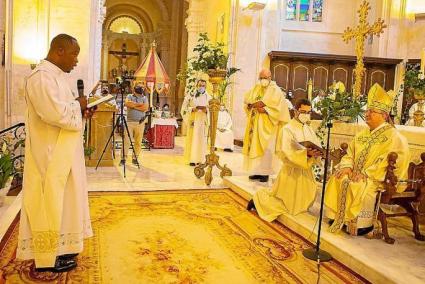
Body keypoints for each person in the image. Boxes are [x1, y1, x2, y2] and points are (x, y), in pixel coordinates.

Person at [16, 34, 95, 272]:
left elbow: (64, 110)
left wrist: (82, 110)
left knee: (65, 201)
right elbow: (53, 113)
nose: (76, 60)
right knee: (50, 201)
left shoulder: (56, 77)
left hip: (63, 152)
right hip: (49, 155)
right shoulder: (41, 77)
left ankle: (62, 247)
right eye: (74, 54)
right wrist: (78, 106)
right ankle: (48, 256)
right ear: (59, 51)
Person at [324, 83, 410, 236]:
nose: (367, 114)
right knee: (339, 178)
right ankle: (337, 217)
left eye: (372, 112)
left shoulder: (394, 137)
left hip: (375, 177)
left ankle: (360, 224)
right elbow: (350, 153)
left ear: (384, 115)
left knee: (358, 185)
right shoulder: (362, 134)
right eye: (367, 111)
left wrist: (365, 173)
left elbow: (387, 162)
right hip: (355, 172)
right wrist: (347, 167)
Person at [247, 99, 322, 219]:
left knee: (301, 204)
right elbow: (286, 152)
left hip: (306, 172)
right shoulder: (288, 129)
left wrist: (317, 153)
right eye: (303, 111)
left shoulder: (308, 129)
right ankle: (257, 201)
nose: (306, 115)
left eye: (308, 112)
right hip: (291, 173)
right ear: (295, 111)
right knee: (285, 206)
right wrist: (305, 154)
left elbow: (316, 145)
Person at [242, 68, 290, 182]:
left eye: (265, 78)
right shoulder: (257, 88)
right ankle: (257, 172)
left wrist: (266, 109)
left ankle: (265, 173)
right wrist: (252, 106)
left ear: (270, 77)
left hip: (269, 124)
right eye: (261, 78)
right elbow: (247, 99)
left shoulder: (275, 90)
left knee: (266, 149)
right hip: (255, 123)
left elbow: (267, 104)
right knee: (255, 147)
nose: (263, 80)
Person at [181, 79, 211, 166]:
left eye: (203, 86)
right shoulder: (191, 95)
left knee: (201, 140)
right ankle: (192, 159)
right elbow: (184, 108)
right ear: (197, 86)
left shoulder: (208, 97)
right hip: (193, 119)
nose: (201, 87)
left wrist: (206, 110)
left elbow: (211, 109)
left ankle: (200, 159)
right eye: (200, 85)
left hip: (202, 121)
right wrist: (192, 109)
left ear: (205, 86)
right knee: (192, 139)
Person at [123, 82, 149, 165]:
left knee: (138, 141)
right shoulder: (129, 96)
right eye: (139, 87)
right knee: (126, 141)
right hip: (130, 122)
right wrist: (139, 105)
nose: (141, 88)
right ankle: (123, 158)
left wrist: (133, 105)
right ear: (135, 88)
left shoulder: (144, 98)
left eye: (142, 87)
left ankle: (135, 158)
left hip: (140, 123)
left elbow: (145, 107)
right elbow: (127, 103)